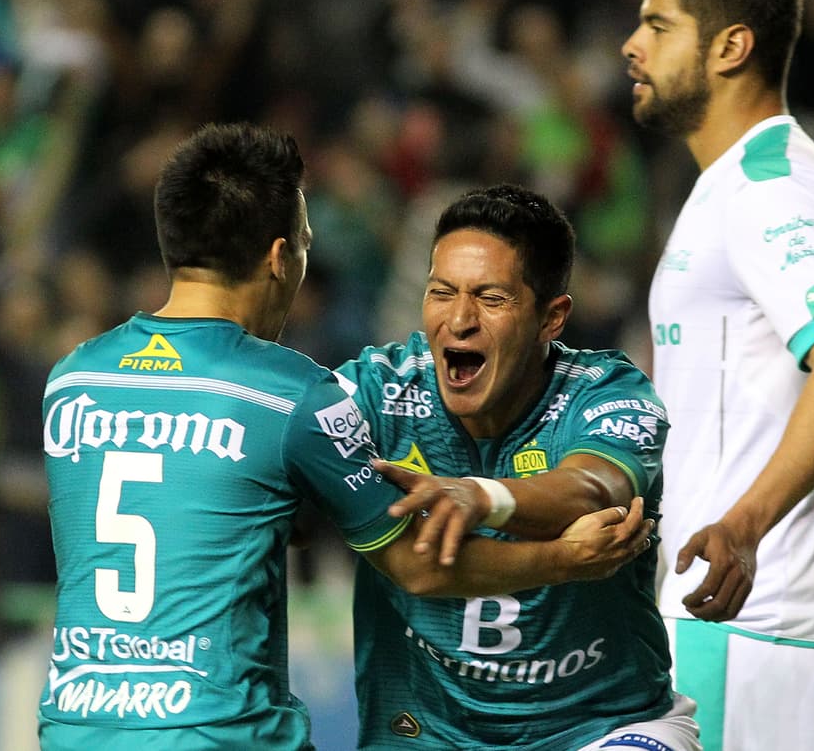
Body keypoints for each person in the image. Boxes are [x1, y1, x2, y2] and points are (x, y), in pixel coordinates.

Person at [37, 124, 652, 751]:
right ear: (280, 258)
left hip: (76, 725)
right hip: (220, 733)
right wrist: (561, 559)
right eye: (304, 243)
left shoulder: (72, 378)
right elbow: (415, 562)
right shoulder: (293, 394)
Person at [620, 0, 814, 749]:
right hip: (775, 621)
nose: (632, 47)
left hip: (759, 624)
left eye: (659, 26)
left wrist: (742, 526)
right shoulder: (733, 183)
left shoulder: (769, 188)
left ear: (730, 46)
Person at [340, 184, 700, 750]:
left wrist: (481, 497)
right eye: (441, 292)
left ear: (551, 318)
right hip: (426, 736)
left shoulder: (609, 392)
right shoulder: (373, 391)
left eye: (491, 298)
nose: (459, 320)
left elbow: (595, 489)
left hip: (600, 729)